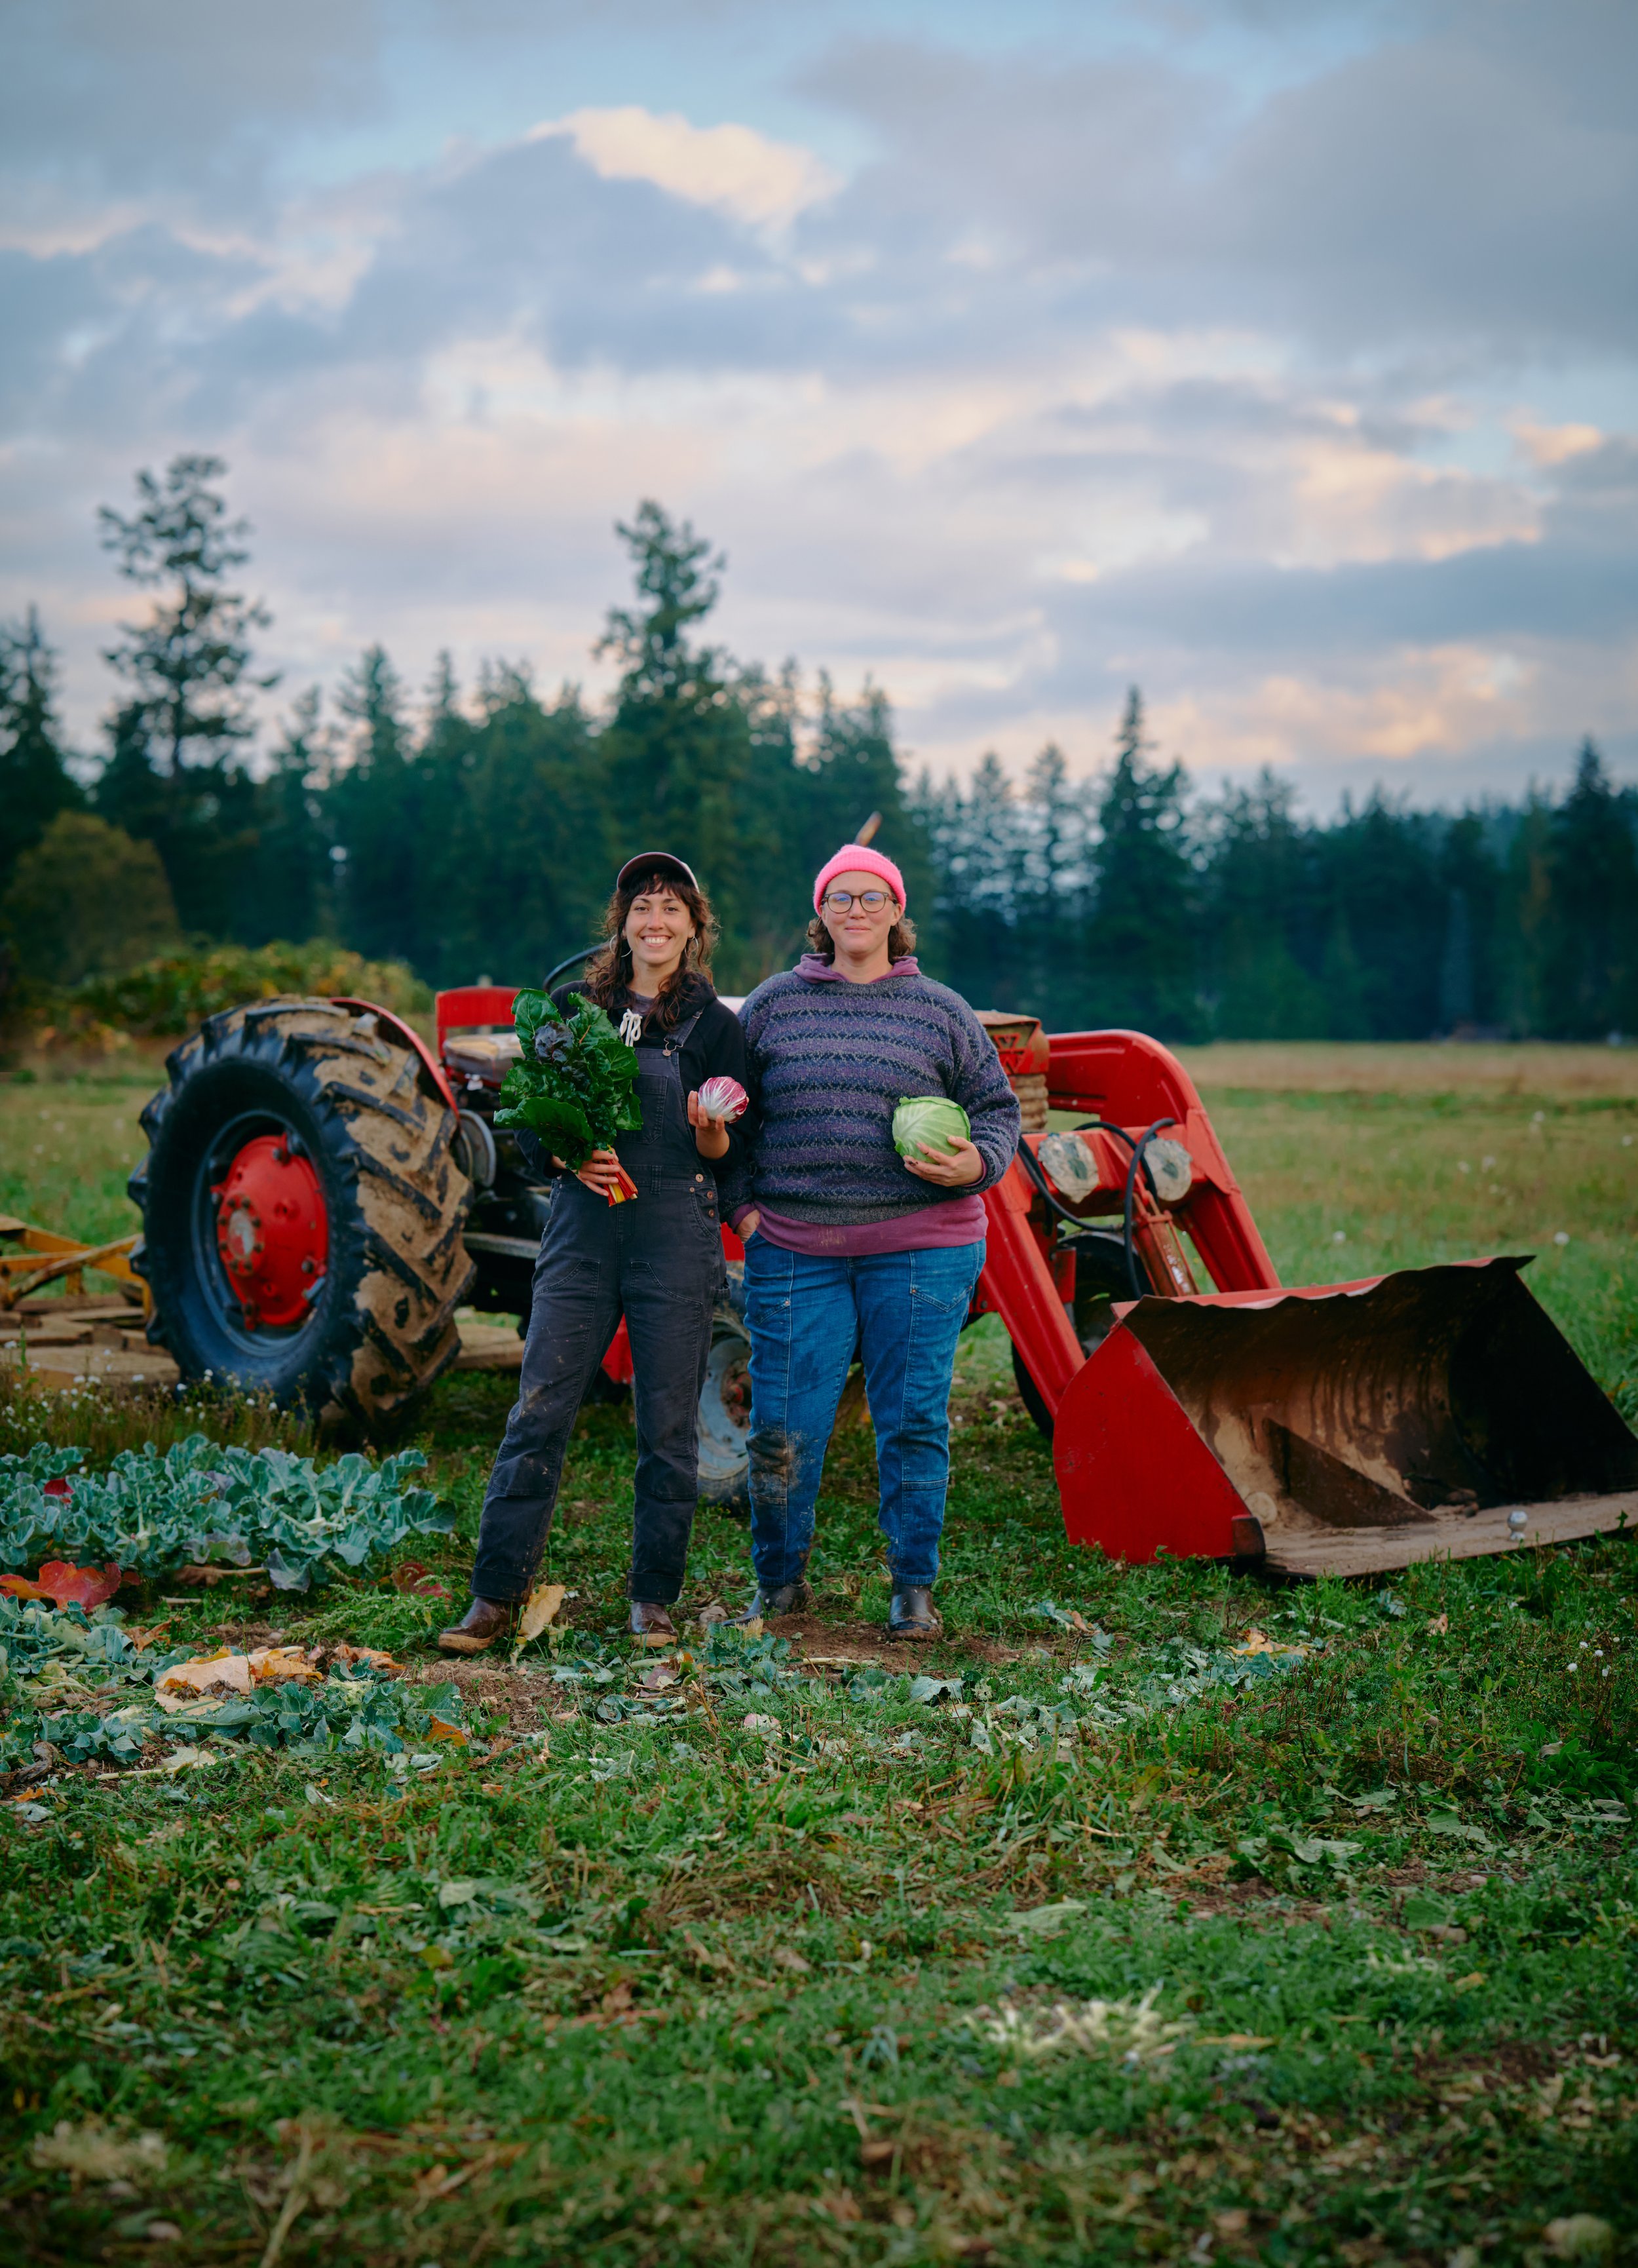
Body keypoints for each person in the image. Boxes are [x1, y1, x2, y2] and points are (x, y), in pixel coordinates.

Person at [440, 853, 748, 1653]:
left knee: (668, 1426)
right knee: (538, 1410)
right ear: (621, 922)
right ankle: (495, 1595)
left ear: (693, 925)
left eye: (671, 907)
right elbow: (531, 1117)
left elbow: (733, 1145)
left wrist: (711, 1128)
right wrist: (569, 1152)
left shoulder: (717, 1026)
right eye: (642, 905)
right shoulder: (575, 1008)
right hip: (582, 1230)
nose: (656, 920)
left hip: (674, 1231)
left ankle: (652, 1598)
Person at [727, 844, 1021, 1640]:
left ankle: (913, 1586)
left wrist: (979, 1158)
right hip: (794, 1246)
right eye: (839, 897)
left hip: (923, 1245)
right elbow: (729, 1117)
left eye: (871, 896)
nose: (855, 910)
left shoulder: (940, 1009)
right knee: (783, 1425)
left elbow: (996, 1108)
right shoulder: (771, 1006)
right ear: (819, 914)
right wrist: (745, 1212)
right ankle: (780, 1582)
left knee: (913, 1417)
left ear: (896, 910)